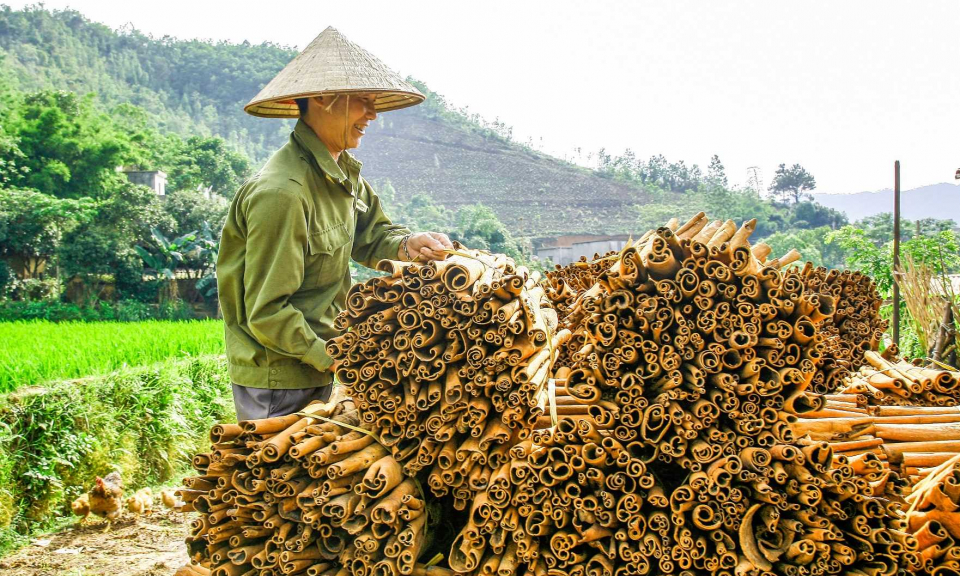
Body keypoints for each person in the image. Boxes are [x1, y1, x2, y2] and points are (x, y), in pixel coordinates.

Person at [217, 27, 452, 421]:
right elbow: (267, 310)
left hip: (318, 358)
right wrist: (334, 358)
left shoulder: (341, 173)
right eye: (363, 101)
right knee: (280, 479)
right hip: (280, 375)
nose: (373, 114)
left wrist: (408, 245)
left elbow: (371, 233)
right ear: (324, 99)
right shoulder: (283, 193)